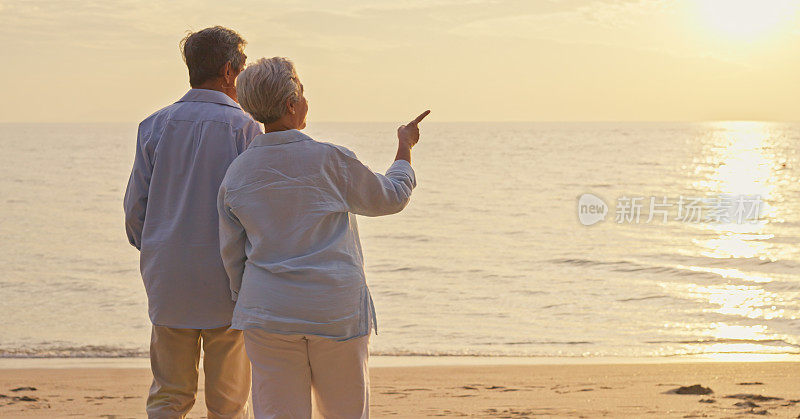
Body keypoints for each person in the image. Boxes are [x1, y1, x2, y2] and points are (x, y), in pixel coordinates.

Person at [217, 56, 428, 418]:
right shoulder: (329, 159)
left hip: (268, 313)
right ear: (291, 104)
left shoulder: (237, 173)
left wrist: (246, 298)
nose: (306, 100)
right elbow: (392, 197)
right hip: (334, 312)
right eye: (302, 91)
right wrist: (405, 148)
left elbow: (232, 254)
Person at [123, 26, 262, 418]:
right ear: (230, 71)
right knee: (229, 403)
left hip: (168, 277)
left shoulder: (154, 125)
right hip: (228, 281)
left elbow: (136, 210)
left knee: (169, 396)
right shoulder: (247, 129)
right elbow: (253, 212)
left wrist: (157, 246)